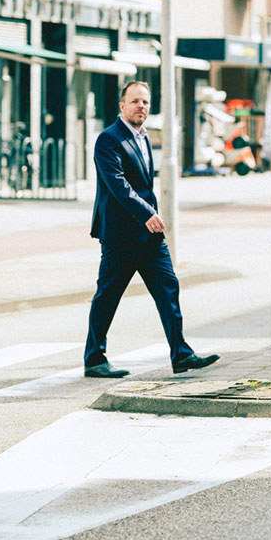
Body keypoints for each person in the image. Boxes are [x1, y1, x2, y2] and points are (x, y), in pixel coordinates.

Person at [84, 81, 219, 378]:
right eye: (134, 102)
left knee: (168, 289)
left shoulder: (144, 137)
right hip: (120, 236)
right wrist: (147, 213)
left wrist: (152, 218)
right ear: (122, 106)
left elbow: (145, 186)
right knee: (108, 295)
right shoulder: (108, 139)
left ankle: (181, 355)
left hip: (149, 237)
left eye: (145, 102)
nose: (140, 107)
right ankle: (94, 358)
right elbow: (117, 185)